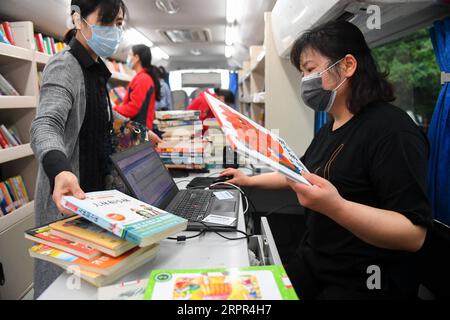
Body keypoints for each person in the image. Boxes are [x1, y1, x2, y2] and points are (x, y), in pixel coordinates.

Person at [220, 21, 432, 300]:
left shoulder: (392, 131)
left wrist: (337, 207)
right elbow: (298, 173)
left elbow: (413, 234)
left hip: (363, 279)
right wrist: (248, 180)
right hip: (316, 263)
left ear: (347, 66)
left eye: (310, 69)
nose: (305, 80)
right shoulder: (331, 126)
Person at [30, 0, 126, 298]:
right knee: (65, 291)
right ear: (78, 19)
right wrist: (60, 169)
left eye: (119, 24)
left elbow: (95, 117)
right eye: (107, 21)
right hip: (68, 203)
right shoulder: (65, 65)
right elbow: (45, 125)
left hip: (95, 205)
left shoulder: (97, 70)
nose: (114, 31)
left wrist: (138, 129)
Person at [113, 45, 161, 129]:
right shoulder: (142, 77)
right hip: (138, 130)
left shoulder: (142, 79)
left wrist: (113, 110)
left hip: (139, 133)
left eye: (129, 55)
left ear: (136, 58)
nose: (128, 58)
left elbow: (133, 108)